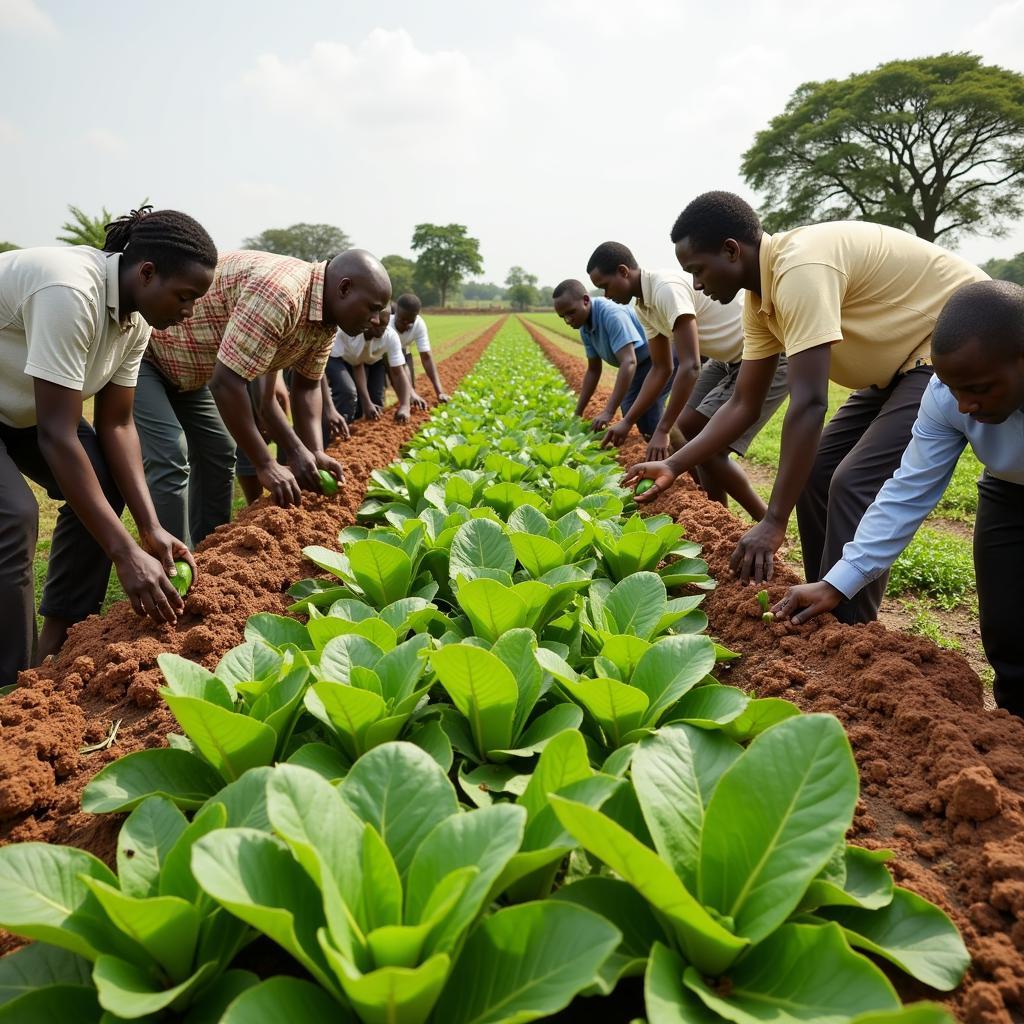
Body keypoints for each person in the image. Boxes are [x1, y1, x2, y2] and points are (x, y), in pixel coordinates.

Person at [624, 191, 987, 623]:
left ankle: (851, 627)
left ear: (731, 250)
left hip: (949, 343)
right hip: (893, 366)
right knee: (817, 472)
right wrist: (675, 464)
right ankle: (821, 603)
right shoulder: (759, 303)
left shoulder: (799, 268)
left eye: (698, 270)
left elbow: (810, 403)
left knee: (851, 481)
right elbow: (743, 402)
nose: (697, 284)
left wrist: (774, 521)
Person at [773, 281, 1024, 716]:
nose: (965, 405)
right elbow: (906, 490)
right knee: (1007, 631)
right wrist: (838, 581)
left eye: (980, 389)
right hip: (1007, 490)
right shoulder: (945, 397)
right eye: (954, 387)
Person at [0, 207, 216, 685]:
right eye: (185, 296)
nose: (189, 312)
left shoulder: (134, 322)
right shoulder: (70, 291)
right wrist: (123, 553)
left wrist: (150, 529)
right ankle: (11, 687)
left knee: (103, 482)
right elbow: (57, 434)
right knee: (13, 516)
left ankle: (53, 650)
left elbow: (117, 425)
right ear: (146, 272)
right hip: (29, 412)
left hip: (18, 405)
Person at [136, 248, 391, 536]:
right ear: (344, 288)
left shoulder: (326, 321)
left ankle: (209, 553)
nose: (375, 319)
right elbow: (227, 383)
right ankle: (170, 566)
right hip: (149, 355)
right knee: (171, 454)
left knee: (219, 452)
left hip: (192, 373)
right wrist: (266, 463)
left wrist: (313, 452)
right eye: (372, 308)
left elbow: (306, 388)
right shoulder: (280, 293)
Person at [586, 241, 786, 519]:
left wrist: (662, 429)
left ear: (623, 271)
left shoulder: (664, 288)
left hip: (764, 355)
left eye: (605, 286)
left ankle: (765, 521)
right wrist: (627, 420)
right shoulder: (644, 307)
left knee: (710, 448)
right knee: (688, 433)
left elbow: (690, 366)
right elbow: (661, 369)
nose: (605, 296)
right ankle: (717, 516)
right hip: (726, 359)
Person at [551, 278, 665, 437]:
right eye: (563, 316)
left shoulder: (611, 314)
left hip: (660, 359)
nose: (568, 320)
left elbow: (629, 361)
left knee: (649, 411)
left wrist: (608, 411)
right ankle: (657, 444)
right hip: (641, 364)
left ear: (585, 300)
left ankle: (673, 450)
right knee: (630, 408)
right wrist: (578, 413)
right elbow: (593, 370)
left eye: (571, 312)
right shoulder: (585, 327)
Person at [328, 306, 414, 423]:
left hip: (355, 362)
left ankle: (355, 428)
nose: (383, 329)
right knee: (347, 392)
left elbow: (398, 372)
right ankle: (337, 431)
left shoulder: (390, 336)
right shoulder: (348, 332)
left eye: (386, 325)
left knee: (371, 400)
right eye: (380, 325)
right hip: (332, 357)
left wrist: (405, 406)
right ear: (370, 320)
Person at [393, 293, 449, 403]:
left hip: (403, 353)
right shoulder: (387, 324)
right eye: (402, 320)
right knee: (378, 395)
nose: (406, 325)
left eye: (410, 322)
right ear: (396, 313)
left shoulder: (419, 324)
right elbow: (397, 366)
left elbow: (426, 357)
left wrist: (439, 392)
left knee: (409, 395)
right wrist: (410, 392)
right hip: (379, 358)